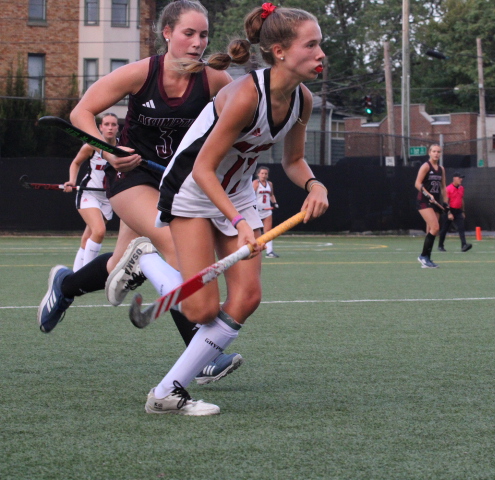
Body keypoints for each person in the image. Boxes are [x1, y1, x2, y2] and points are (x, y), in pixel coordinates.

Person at [37, 0, 243, 385]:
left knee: (118, 266)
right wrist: (109, 151)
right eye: (188, 33)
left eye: (203, 35)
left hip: (175, 183)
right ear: (167, 33)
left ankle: (65, 285)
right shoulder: (140, 73)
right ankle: (202, 353)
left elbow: (236, 123)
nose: (198, 43)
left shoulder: (215, 80)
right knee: (176, 247)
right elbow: (82, 113)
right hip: (130, 179)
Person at [143, 2, 328, 415]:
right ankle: (147, 261)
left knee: (247, 296)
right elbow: (205, 169)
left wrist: (314, 184)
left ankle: (166, 393)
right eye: (311, 45)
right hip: (192, 188)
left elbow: (293, 161)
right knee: (201, 309)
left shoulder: (303, 100)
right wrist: (242, 223)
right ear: (279, 51)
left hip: (237, 190)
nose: (321, 54)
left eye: (321, 45)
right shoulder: (245, 95)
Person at [65, 113, 118, 271]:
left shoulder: (122, 147)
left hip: (108, 198)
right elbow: (76, 163)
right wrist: (72, 181)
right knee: (99, 231)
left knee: (88, 238)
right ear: (100, 127)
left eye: (113, 124)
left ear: (117, 128)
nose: (109, 127)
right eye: (106, 124)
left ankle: (74, 276)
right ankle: (87, 275)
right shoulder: (92, 146)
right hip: (89, 194)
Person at [414, 144, 448, 268]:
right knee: (435, 227)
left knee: (431, 231)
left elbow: (443, 187)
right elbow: (417, 184)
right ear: (429, 152)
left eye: (438, 152)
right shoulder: (425, 166)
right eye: (434, 151)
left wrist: (446, 203)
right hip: (424, 201)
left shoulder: (441, 169)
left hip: (435, 202)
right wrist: (428, 195)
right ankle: (423, 256)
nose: (436, 154)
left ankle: (427, 259)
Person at [438, 172, 472, 253]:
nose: (461, 179)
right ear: (454, 178)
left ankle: (464, 245)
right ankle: (440, 245)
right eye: (459, 178)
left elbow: (461, 199)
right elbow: (446, 202)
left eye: (462, 178)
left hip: (458, 211)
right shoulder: (448, 189)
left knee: (461, 227)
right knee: (444, 229)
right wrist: (449, 213)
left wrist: (463, 211)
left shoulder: (461, 188)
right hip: (450, 210)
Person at [253, 166, 280, 258]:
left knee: (268, 232)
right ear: (258, 174)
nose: (264, 175)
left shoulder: (269, 184)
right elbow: (251, 196)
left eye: (266, 174)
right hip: (257, 211)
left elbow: (271, 195)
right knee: (254, 231)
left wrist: (275, 203)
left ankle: (269, 251)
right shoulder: (256, 183)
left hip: (267, 210)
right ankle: (253, 250)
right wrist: (253, 207)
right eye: (262, 173)